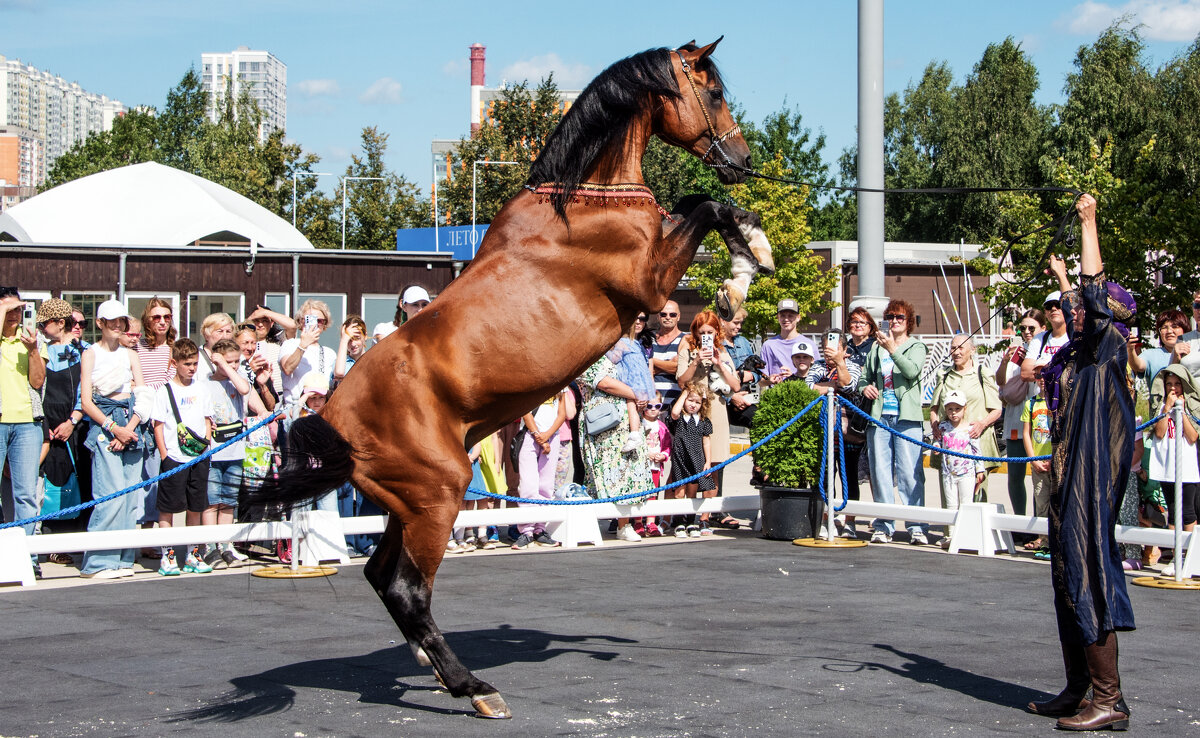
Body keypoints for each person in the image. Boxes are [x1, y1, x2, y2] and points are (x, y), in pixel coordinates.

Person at [1025, 194, 1135, 731]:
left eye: (1086, 308)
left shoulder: (1109, 349)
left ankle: (1109, 698)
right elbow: (1080, 303)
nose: (1073, 312)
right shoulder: (1079, 355)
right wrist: (1062, 273)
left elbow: (1093, 299)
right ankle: (1079, 689)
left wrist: (1090, 224)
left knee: (1088, 569)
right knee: (1065, 572)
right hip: (1069, 476)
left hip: (1094, 478)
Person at [77, 300, 144, 579]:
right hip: (106, 424)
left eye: (122, 321)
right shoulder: (90, 354)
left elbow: (143, 395)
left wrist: (128, 429)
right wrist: (113, 428)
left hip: (132, 422)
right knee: (110, 495)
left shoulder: (130, 354)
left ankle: (122, 561)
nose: (118, 326)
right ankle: (97, 563)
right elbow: (86, 401)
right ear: (100, 323)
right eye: (112, 321)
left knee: (130, 497)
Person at [856, 299, 928, 544]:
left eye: (899, 318)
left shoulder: (916, 346)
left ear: (908, 322)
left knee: (910, 473)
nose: (894, 321)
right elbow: (863, 378)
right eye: (891, 317)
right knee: (880, 473)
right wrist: (866, 388)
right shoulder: (877, 347)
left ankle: (916, 525)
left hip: (906, 418)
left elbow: (911, 371)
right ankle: (883, 524)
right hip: (879, 416)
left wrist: (892, 349)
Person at [150, 338, 215, 576]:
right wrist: (165, 455)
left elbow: (208, 419)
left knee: (196, 507)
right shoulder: (165, 391)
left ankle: (193, 554)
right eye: (187, 363)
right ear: (174, 363)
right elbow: (158, 424)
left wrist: (206, 445)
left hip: (199, 457)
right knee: (168, 507)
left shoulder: (201, 388)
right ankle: (167, 555)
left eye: (195, 363)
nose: (192, 368)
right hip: (175, 458)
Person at [200, 338, 264, 568]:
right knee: (212, 501)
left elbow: (245, 388)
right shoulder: (205, 383)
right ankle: (210, 545)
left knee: (228, 501)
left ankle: (226, 545)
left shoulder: (239, 381)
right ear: (216, 360)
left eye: (237, 361)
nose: (234, 366)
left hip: (235, 451)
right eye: (229, 362)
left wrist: (228, 367)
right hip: (214, 453)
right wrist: (218, 364)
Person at [577, 353, 653, 541]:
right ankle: (590, 524)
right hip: (602, 424)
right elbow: (603, 383)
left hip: (628, 422)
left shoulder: (619, 355)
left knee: (627, 472)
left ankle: (624, 525)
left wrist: (640, 394)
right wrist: (638, 393)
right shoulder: (584, 357)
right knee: (601, 473)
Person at [676, 310, 740, 529]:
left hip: (717, 409)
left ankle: (705, 517)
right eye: (702, 332)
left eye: (710, 332)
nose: (706, 336)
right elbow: (681, 381)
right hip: (693, 408)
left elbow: (736, 385)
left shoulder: (722, 350)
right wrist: (696, 361)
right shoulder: (687, 348)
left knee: (714, 464)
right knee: (690, 463)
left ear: (717, 331)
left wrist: (719, 362)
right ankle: (685, 516)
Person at [0, 288, 47, 577]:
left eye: (19, 309)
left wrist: (32, 350)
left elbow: (39, 380)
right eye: (9, 310)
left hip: (28, 423)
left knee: (26, 494)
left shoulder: (30, 340)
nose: (16, 315)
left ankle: (27, 556)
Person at [36, 299, 89, 551]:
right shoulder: (40, 350)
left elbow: (86, 391)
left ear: (59, 323)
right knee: (52, 482)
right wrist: (43, 423)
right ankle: (53, 544)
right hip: (48, 427)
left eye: (44, 323)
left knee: (80, 478)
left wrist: (72, 420)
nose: (40, 328)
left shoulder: (85, 350)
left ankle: (77, 540)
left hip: (76, 426)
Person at [929, 334, 1002, 508]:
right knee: (949, 495)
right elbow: (933, 408)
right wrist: (935, 426)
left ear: (972, 350)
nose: (956, 352)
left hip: (975, 444)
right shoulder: (944, 375)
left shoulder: (982, 373)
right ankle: (950, 534)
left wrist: (982, 424)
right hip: (949, 445)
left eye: (961, 347)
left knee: (975, 497)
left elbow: (997, 409)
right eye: (953, 348)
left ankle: (975, 534)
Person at [1147, 364, 1200, 577]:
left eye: (1177, 384)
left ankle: (1189, 557)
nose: (1173, 388)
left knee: (1187, 511)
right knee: (1172, 511)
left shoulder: (1191, 407)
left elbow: (1192, 436)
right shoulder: (1160, 407)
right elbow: (1159, 433)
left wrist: (1182, 410)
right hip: (1167, 466)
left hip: (1187, 467)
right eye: (1169, 384)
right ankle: (1176, 557)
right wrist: (1167, 409)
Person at [996, 309, 1044, 524]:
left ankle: (1038, 524)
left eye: (1031, 328)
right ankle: (1019, 522)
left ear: (1042, 329)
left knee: (1039, 478)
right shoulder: (1015, 351)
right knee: (1015, 475)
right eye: (1022, 327)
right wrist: (1006, 362)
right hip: (1015, 419)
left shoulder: (1046, 351)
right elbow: (1001, 382)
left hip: (1039, 423)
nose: (1026, 332)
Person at [133, 297, 176, 535]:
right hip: (140, 418)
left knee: (158, 479)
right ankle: (142, 531)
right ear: (147, 321)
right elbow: (130, 380)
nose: (162, 322)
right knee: (142, 477)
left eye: (166, 317)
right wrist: (147, 389)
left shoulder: (174, 348)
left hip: (164, 418)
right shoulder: (136, 347)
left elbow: (173, 381)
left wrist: (146, 387)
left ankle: (154, 533)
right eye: (156, 317)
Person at [512, 388, 568, 549]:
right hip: (530, 435)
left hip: (553, 436)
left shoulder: (561, 384)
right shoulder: (532, 382)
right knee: (528, 485)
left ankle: (540, 529)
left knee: (546, 486)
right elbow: (525, 411)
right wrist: (539, 436)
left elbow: (561, 414)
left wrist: (548, 434)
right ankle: (526, 531)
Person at [839, 307, 878, 539]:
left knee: (874, 467)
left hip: (869, 409)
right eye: (853, 322)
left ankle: (878, 513)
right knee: (850, 468)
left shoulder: (875, 346)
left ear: (870, 326)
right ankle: (848, 516)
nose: (857, 326)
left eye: (862, 322)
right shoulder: (844, 347)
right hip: (846, 411)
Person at [932, 390, 985, 547]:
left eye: (957, 409)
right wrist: (936, 447)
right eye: (950, 409)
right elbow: (938, 442)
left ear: (964, 409)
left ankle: (966, 535)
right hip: (948, 473)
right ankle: (951, 536)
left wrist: (979, 470)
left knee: (966, 503)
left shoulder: (970, 429)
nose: (953, 413)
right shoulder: (943, 427)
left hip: (966, 474)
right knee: (951, 504)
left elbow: (977, 451)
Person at [667, 381, 716, 537]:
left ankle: (690, 523)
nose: (693, 405)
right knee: (679, 492)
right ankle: (679, 523)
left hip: (697, 459)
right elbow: (674, 412)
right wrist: (685, 392)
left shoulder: (703, 421)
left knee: (692, 492)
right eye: (690, 400)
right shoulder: (680, 418)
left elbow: (706, 441)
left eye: (698, 402)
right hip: (681, 458)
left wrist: (708, 462)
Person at [606, 324, 655, 453]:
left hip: (633, 378)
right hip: (640, 376)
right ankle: (643, 423)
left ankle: (634, 434)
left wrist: (605, 351)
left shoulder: (622, 343)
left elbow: (615, 358)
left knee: (631, 403)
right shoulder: (635, 342)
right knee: (636, 404)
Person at [279, 300, 337, 407]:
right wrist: (303, 345)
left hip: (320, 410)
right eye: (309, 319)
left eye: (319, 321)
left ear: (324, 324)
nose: (314, 324)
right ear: (301, 322)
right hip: (295, 409)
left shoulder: (330, 353)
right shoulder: (290, 344)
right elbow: (287, 368)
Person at [1021, 388, 1053, 551]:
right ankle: (1044, 540)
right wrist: (1033, 460)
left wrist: (1055, 459)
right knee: (1041, 503)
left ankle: (1056, 542)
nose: (1043, 379)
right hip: (1037, 462)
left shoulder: (1057, 401)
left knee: (1057, 503)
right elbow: (1026, 433)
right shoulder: (1031, 403)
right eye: (1039, 375)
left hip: (1055, 461)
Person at [636, 392, 671, 538]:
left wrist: (663, 456)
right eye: (649, 406)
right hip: (640, 466)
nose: (653, 409)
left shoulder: (662, 426)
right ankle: (638, 521)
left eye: (657, 406)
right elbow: (635, 443)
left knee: (653, 494)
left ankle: (651, 521)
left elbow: (667, 445)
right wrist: (645, 454)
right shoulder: (638, 423)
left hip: (655, 466)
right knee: (639, 494)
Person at [1020, 291, 1070, 384]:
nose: (1053, 308)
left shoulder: (1074, 337)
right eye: (1049, 306)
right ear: (1045, 313)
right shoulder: (1040, 338)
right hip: (1044, 397)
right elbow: (1025, 373)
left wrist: (1040, 367)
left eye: (1058, 305)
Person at [722, 308, 760, 428]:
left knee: (760, 420)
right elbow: (708, 380)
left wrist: (750, 376)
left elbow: (757, 372)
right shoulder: (714, 344)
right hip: (721, 402)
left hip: (745, 400)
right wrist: (731, 398)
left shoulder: (743, 342)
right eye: (735, 322)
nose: (739, 327)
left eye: (741, 323)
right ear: (723, 321)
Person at [760, 298, 803, 386]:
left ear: (798, 317)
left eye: (790, 315)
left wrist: (794, 377)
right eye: (783, 315)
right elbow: (761, 381)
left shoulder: (808, 344)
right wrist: (770, 380)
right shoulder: (768, 345)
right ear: (777, 317)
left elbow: (815, 378)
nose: (786, 319)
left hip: (802, 395)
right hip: (777, 395)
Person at [650, 300, 684, 407]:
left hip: (675, 405)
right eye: (663, 314)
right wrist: (669, 363)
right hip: (651, 406)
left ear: (678, 317)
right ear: (658, 316)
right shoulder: (648, 338)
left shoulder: (686, 339)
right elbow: (642, 369)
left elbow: (678, 368)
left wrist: (652, 361)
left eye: (672, 315)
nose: (668, 317)